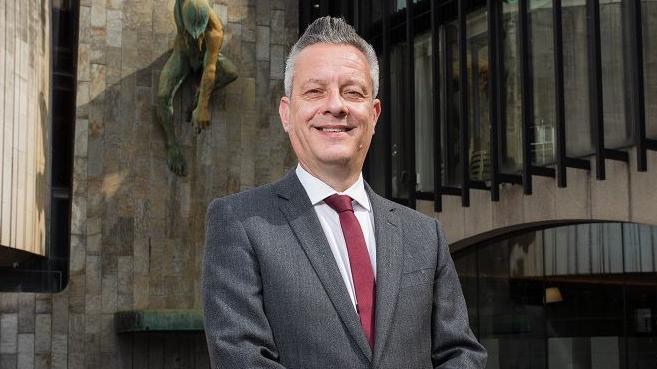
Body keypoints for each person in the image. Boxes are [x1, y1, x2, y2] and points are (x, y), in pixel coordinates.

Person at [202, 16, 487, 369]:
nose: (335, 105)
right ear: (287, 114)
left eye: (352, 92)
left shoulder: (425, 235)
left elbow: (462, 354)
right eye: (315, 91)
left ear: (374, 113)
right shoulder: (240, 222)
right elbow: (240, 358)